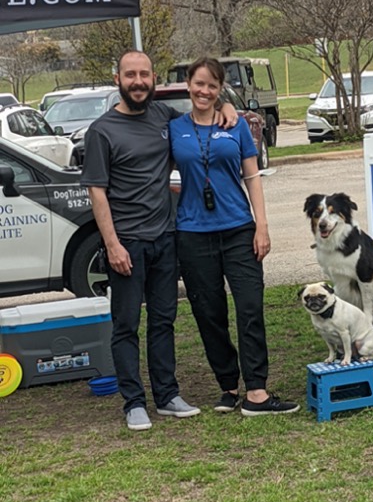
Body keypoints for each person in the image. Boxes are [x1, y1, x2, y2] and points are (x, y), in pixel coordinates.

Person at [81, 50, 237, 431]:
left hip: (167, 237)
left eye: (144, 74)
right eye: (130, 75)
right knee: (126, 324)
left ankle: (166, 395)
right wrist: (113, 245)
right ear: (117, 78)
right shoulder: (101, 131)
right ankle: (134, 402)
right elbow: (97, 194)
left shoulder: (164, 118)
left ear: (154, 79)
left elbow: (202, 114)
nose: (138, 81)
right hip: (127, 243)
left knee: (164, 320)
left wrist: (227, 105)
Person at [170, 56, 299, 416]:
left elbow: (252, 176)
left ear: (219, 89)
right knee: (208, 313)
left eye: (212, 85)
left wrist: (262, 225)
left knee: (249, 307)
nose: (204, 91)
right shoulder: (176, 129)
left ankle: (256, 391)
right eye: (199, 83)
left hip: (239, 230)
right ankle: (228, 385)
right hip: (193, 234)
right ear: (188, 85)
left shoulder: (236, 124)